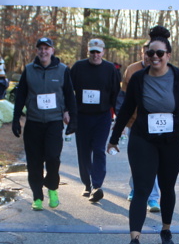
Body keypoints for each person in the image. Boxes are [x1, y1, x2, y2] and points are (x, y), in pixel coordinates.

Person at [108, 27, 179, 244]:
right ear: (146, 55)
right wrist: (114, 138)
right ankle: (134, 241)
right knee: (142, 188)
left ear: (168, 55)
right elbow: (126, 109)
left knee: (167, 186)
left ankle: (165, 230)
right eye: (150, 53)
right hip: (143, 139)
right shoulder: (138, 78)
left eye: (159, 53)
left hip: (174, 141)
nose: (154, 57)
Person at [11, 37, 77, 210]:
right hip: (34, 122)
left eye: (46, 48)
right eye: (40, 48)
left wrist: (73, 120)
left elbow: (69, 95)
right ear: (36, 51)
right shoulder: (29, 70)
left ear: (52, 50)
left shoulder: (62, 70)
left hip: (54, 122)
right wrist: (16, 119)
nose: (43, 51)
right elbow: (21, 96)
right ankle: (37, 196)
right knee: (34, 162)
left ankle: (52, 188)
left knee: (53, 158)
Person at [70, 38, 121, 203]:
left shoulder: (110, 69)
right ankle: (87, 184)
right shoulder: (78, 67)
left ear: (103, 52)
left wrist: (119, 117)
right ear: (88, 51)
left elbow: (116, 94)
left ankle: (97, 186)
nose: (95, 55)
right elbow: (68, 91)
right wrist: (67, 111)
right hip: (82, 116)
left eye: (98, 52)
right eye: (92, 51)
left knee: (99, 149)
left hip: (102, 116)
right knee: (84, 152)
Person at [120, 38, 161, 213]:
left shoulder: (162, 69)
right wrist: (122, 123)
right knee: (137, 161)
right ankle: (135, 188)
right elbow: (123, 99)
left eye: (153, 53)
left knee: (153, 162)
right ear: (142, 53)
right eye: (146, 52)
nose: (149, 56)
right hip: (135, 123)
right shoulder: (131, 70)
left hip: (156, 124)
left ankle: (153, 198)